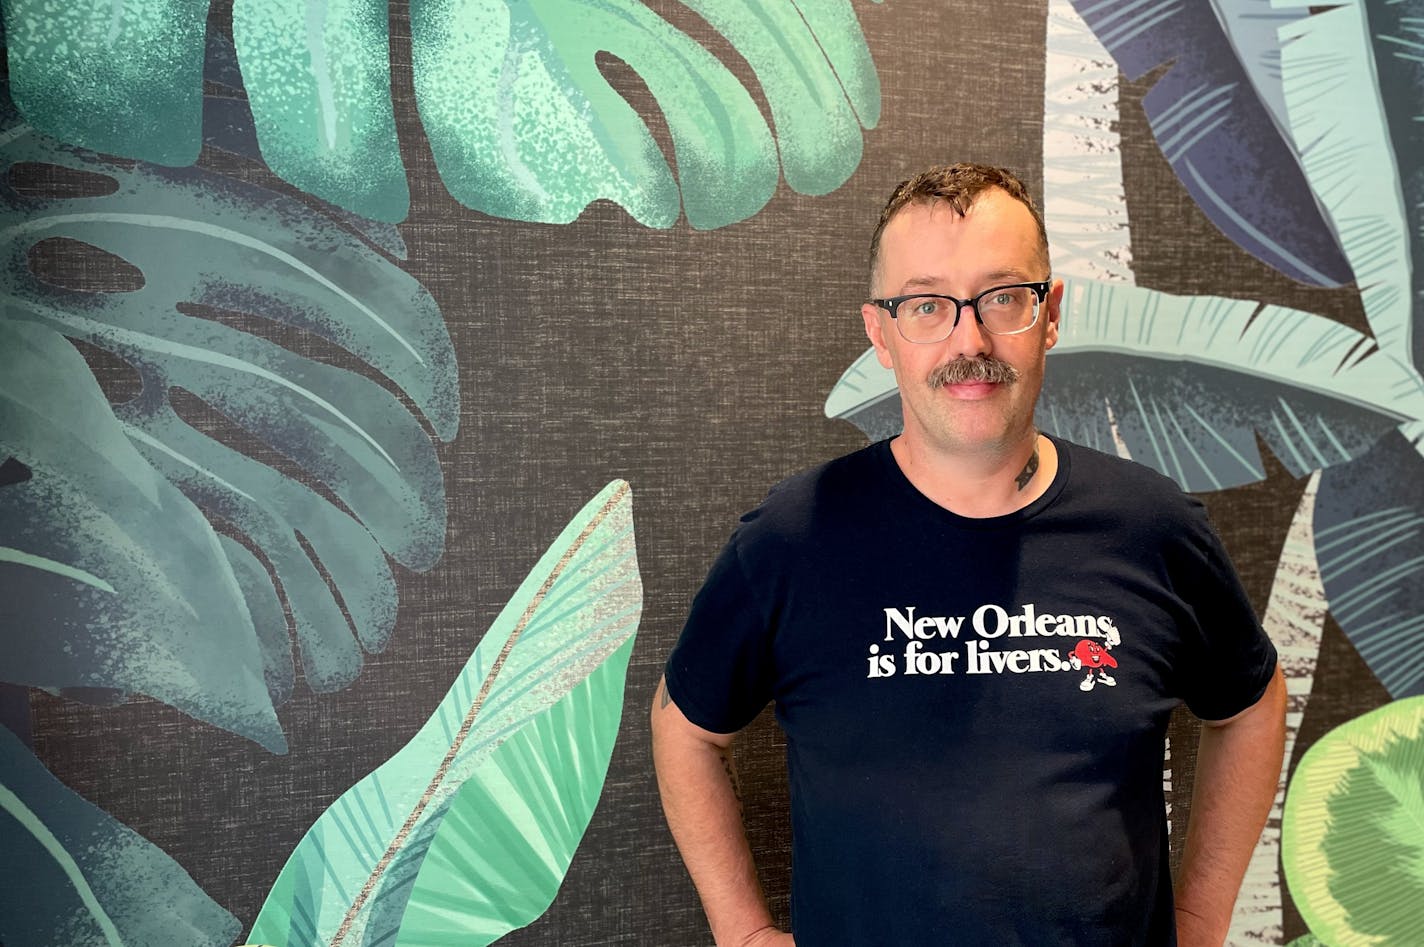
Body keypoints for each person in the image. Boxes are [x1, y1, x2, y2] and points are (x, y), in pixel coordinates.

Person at [651, 163, 1286, 946]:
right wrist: (740, 930)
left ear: (1049, 314)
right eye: (927, 305)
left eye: (1002, 298)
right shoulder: (793, 537)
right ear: (880, 332)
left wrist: (1200, 918)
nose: (970, 340)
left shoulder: (1152, 527)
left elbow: (1252, 703)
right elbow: (685, 727)